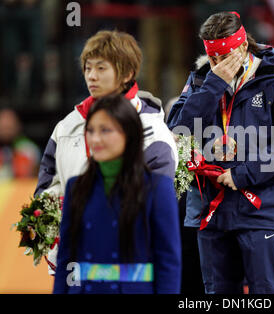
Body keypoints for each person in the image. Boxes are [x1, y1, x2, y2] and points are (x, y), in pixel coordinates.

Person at [167, 11, 274, 294]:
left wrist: (244, 173)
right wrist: (214, 84)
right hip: (212, 210)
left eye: (226, 56)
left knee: (266, 291)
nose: (219, 64)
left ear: (243, 45)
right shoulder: (200, 81)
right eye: (214, 58)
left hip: (261, 209)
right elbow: (177, 131)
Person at [35, 30, 178, 275]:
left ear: (127, 74)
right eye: (88, 68)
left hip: (129, 266)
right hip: (74, 264)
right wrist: (49, 214)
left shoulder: (153, 133)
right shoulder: (67, 126)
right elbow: (49, 184)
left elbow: (155, 208)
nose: (91, 76)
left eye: (101, 69)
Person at [53, 95, 181, 294]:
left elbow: (168, 262)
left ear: (129, 133)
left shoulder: (157, 187)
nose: (95, 139)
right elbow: (65, 260)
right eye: (91, 130)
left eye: (105, 130)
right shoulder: (75, 187)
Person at [0, 108, 40, 179]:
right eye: (3, 127)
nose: (6, 131)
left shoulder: (28, 149)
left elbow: (36, 177)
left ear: (18, 126)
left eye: (9, 127)